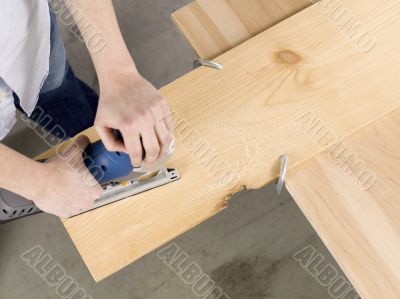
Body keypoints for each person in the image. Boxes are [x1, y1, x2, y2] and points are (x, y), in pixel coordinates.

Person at [0, 0, 173, 218]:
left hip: (23, 35)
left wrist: (120, 75)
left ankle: (96, 131)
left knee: (58, 93)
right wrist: (40, 184)